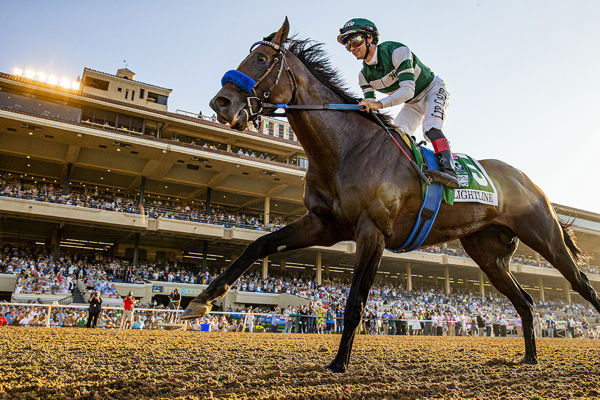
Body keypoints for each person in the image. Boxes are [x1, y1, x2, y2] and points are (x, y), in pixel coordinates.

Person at [337, 18, 459, 188]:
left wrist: (378, 105)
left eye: (355, 40)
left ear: (370, 38)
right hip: (411, 103)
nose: (352, 48)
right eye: (347, 45)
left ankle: (449, 170)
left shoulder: (396, 50)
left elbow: (407, 90)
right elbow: (371, 108)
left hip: (432, 89)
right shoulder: (363, 76)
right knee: (395, 136)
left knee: (431, 127)